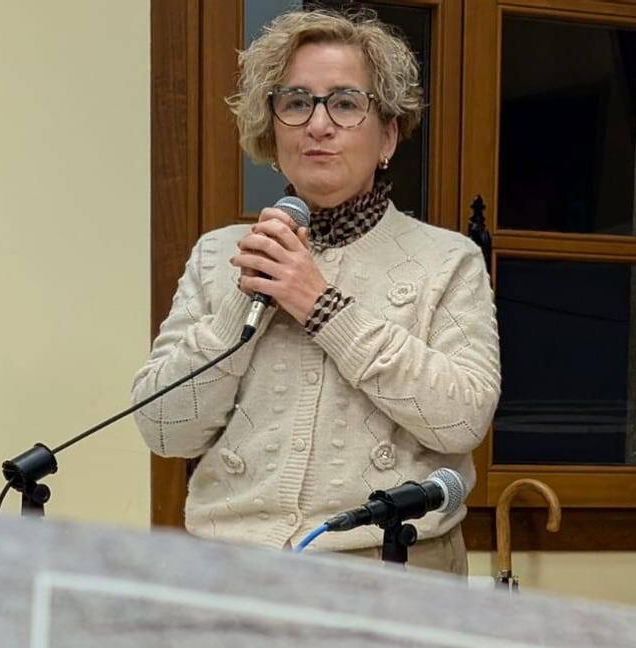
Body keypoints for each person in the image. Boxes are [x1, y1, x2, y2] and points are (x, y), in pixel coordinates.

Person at [133, 8, 500, 574]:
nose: (318, 124)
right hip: (229, 572)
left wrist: (322, 306)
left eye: (346, 103)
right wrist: (244, 295)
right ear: (271, 128)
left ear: (389, 136)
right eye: (297, 102)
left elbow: (462, 421)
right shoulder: (217, 254)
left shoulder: (449, 260)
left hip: (391, 570)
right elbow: (164, 430)